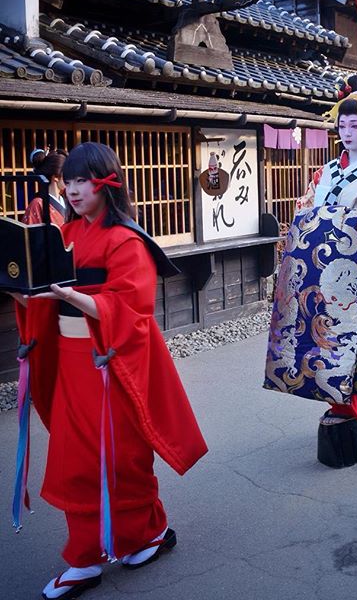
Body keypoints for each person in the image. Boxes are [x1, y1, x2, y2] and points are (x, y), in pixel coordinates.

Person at [9, 143, 208, 599]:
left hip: (111, 363)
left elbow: (132, 307)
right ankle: (85, 558)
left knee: (123, 457)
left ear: (106, 183)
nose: (73, 190)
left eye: (82, 181)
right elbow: (46, 294)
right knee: (75, 459)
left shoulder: (126, 240)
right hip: (73, 363)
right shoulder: (65, 234)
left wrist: (71, 296)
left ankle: (146, 534)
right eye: (70, 181)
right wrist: (24, 294)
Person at [264, 73, 357, 468]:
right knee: (318, 344)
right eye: (343, 124)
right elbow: (304, 213)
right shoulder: (325, 172)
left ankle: (353, 408)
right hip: (319, 273)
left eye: (356, 125)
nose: (347, 132)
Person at [22, 148, 67, 226]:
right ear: (56, 177)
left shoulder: (67, 199)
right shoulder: (37, 204)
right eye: (67, 174)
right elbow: (30, 235)